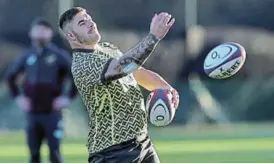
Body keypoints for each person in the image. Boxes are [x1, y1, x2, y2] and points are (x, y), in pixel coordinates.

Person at [58, 7, 179, 163]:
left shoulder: (109, 49)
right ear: (71, 36)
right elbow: (121, 68)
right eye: (82, 23)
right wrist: (153, 37)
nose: (90, 23)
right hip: (113, 152)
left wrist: (165, 88)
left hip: (142, 143)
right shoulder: (82, 63)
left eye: (89, 18)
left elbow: (136, 71)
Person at [7, 18, 77, 163]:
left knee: (54, 152)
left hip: (53, 112)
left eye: (44, 30)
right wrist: (19, 98)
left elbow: (75, 77)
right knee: (34, 153)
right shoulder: (26, 56)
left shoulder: (59, 55)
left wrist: (67, 98)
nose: (40, 34)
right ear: (31, 33)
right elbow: (11, 78)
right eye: (38, 30)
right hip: (33, 113)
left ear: (50, 33)